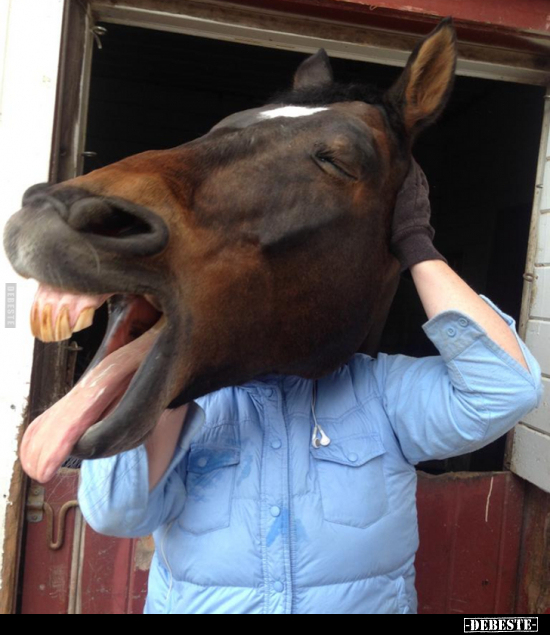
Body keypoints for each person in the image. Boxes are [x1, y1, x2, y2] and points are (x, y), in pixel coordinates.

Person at [77, 158, 543, 614]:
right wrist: (179, 341)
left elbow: (504, 388)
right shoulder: (189, 397)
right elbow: (115, 510)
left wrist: (416, 246)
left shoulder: (378, 391)